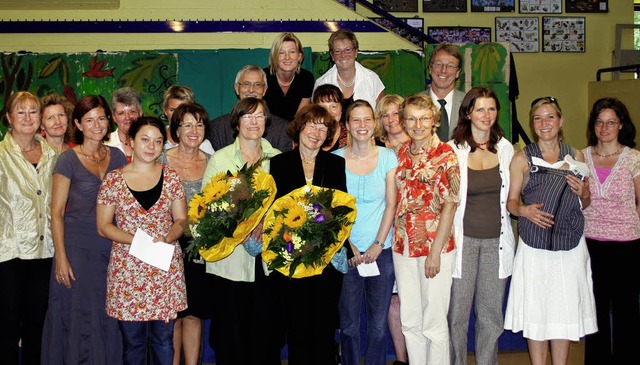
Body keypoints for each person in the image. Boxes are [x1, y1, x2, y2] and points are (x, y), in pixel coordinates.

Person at [504, 97, 597, 365]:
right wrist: (524, 211)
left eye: (550, 117)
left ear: (561, 121)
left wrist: (585, 192)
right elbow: (511, 202)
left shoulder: (576, 156)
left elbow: (585, 202)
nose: (544, 123)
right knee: (537, 311)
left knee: (563, 310)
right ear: (532, 125)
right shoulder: (522, 158)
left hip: (570, 246)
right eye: (538, 118)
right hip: (534, 247)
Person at [41, 95, 127, 364]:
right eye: (89, 120)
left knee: (107, 316)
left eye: (101, 118)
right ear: (77, 124)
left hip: (111, 249)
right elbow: (55, 213)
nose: (96, 125)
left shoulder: (117, 156)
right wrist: (61, 258)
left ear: (109, 120)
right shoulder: (68, 159)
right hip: (77, 251)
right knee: (77, 317)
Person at [96, 116, 188, 365]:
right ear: (131, 141)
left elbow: (181, 220)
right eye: (145, 139)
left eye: (158, 141)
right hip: (128, 271)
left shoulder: (171, 177)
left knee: (163, 341)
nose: (151, 146)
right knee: (133, 345)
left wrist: (167, 236)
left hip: (164, 269)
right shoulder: (113, 180)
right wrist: (138, 241)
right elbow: (103, 226)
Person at [202, 97, 281, 365]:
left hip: (268, 262)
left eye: (260, 116)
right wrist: (244, 225)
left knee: (266, 334)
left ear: (267, 121)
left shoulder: (278, 159)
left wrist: (264, 223)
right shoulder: (220, 159)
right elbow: (208, 209)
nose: (254, 122)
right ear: (236, 122)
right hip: (230, 262)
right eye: (248, 116)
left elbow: (286, 206)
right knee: (231, 335)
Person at [269, 104, 346, 365]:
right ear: (299, 126)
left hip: (325, 260)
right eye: (312, 124)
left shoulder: (336, 164)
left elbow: (341, 210)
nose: (316, 131)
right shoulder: (279, 163)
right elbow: (274, 213)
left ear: (329, 135)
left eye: (324, 127)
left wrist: (327, 245)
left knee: (323, 328)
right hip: (291, 259)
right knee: (297, 327)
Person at [447, 87, 515, 365]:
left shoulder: (507, 149)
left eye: (491, 109)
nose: (486, 115)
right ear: (467, 113)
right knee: (457, 317)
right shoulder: (453, 151)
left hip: (495, 245)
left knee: (490, 316)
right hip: (462, 244)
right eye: (480, 109)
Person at [393, 93, 460, 365]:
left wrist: (434, 254)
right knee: (410, 321)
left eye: (423, 118)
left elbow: (451, 204)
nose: (417, 124)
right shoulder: (400, 152)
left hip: (436, 247)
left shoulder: (446, 154)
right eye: (410, 118)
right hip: (403, 245)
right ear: (403, 122)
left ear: (434, 120)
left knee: (433, 322)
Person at [333, 100, 397, 365]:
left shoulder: (387, 157)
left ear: (375, 123)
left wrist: (377, 244)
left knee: (378, 325)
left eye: (367, 119)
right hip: (347, 253)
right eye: (355, 120)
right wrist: (349, 247)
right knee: (348, 326)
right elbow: (333, 210)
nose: (362, 125)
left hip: (381, 252)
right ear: (346, 125)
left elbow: (392, 203)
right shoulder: (334, 160)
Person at [0, 91, 58, 365]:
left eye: (33, 111)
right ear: (9, 117)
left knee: (38, 324)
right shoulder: (1, 154)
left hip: (44, 251)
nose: (27, 117)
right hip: (8, 253)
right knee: (8, 326)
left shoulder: (52, 154)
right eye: (20, 111)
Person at [582, 98, 640, 364]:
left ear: (621, 126)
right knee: (595, 311)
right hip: (590, 244)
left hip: (627, 244)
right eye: (599, 121)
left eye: (610, 122)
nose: (604, 127)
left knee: (627, 311)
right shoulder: (581, 157)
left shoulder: (634, 159)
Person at [158, 103, 212, 365]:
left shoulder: (213, 163)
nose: (194, 130)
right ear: (176, 130)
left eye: (199, 124)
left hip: (200, 249)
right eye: (187, 124)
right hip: (167, 245)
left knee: (194, 314)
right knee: (173, 314)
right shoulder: (161, 160)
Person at [375, 94, 409, 365]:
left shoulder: (420, 147)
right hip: (386, 233)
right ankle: (401, 358)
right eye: (384, 115)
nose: (390, 120)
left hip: (416, 232)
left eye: (395, 113)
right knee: (393, 300)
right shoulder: (374, 148)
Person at [207, 65, 293, 152]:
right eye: (246, 84)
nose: (251, 90)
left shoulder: (282, 128)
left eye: (257, 85)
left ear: (264, 90)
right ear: (237, 88)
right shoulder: (217, 127)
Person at [314, 29, 385, 113]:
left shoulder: (372, 79)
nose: (343, 55)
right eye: (337, 51)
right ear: (332, 55)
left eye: (347, 50)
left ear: (355, 52)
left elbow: (381, 115)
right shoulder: (321, 83)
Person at [263, 32, 315, 121]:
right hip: (268, 128)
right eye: (281, 53)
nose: (287, 57)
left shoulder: (306, 78)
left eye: (292, 52)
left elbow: (300, 117)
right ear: (274, 56)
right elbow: (261, 114)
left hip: (294, 129)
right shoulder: (263, 77)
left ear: (300, 56)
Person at [423, 43, 466, 141]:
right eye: (438, 64)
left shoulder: (469, 104)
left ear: (458, 73)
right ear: (430, 68)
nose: (443, 70)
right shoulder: (412, 103)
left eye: (450, 66)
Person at [162, 85, 215, 154]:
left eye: (183, 111)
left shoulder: (202, 143)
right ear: (165, 110)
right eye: (172, 110)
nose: (177, 114)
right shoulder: (156, 138)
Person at [105, 87, 142, 162]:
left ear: (140, 113)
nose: (127, 117)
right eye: (121, 113)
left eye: (132, 111)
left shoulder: (149, 143)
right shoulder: (105, 144)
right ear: (114, 117)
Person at [313, 83, 347, 151]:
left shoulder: (352, 138)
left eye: (333, 106)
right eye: (323, 107)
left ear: (341, 109)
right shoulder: (306, 134)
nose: (329, 112)